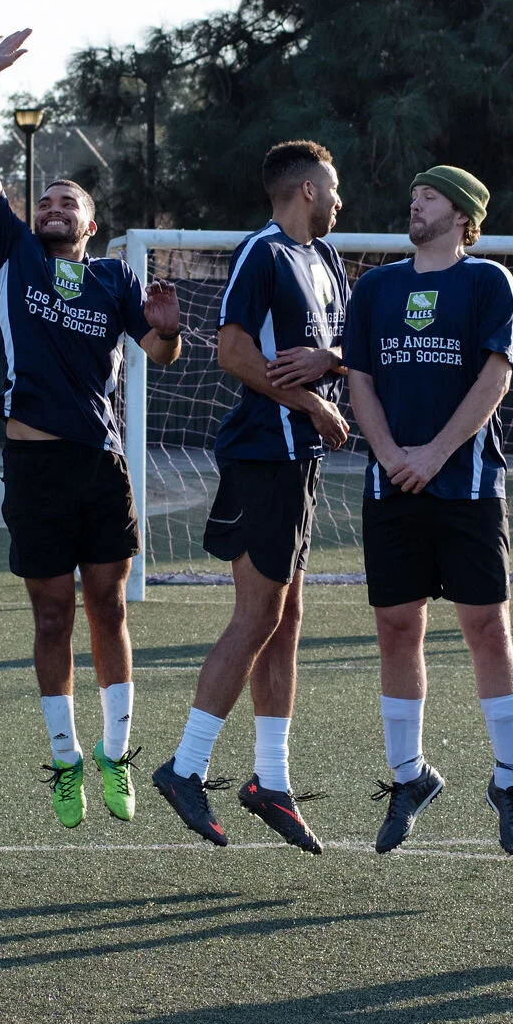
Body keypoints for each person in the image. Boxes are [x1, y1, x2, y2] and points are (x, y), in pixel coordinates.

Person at [0, 27, 185, 830]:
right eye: (47, 200)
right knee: (52, 614)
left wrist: (168, 330)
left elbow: (159, 353)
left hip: (100, 466)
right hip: (35, 470)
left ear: (91, 226)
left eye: (70, 203)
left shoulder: (114, 278)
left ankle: (116, 754)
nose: (54, 207)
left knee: (108, 610)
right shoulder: (12, 256)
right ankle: (65, 762)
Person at [153, 141, 350, 854]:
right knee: (258, 614)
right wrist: (314, 404)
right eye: (333, 187)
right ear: (306, 189)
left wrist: (331, 362)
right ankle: (185, 766)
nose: (340, 201)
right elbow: (232, 351)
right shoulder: (263, 253)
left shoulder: (327, 260)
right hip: (264, 455)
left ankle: (271, 779)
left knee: (285, 617)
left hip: (299, 463)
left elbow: (349, 347)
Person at [343, 167, 513, 856]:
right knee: (397, 628)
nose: (414, 203)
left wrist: (434, 454)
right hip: (391, 483)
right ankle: (409, 778)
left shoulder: (488, 282)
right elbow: (359, 379)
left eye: (427, 196)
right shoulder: (375, 287)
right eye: (413, 195)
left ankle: (509, 784)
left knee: (487, 628)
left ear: (462, 214)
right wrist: (393, 453)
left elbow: (495, 377)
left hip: (469, 486)